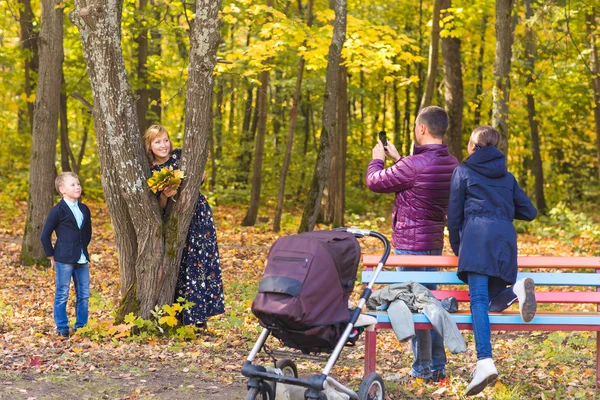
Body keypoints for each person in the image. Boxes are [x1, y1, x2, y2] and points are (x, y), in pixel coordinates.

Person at [366, 106, 459, 382]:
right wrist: (399, 158)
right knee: (430, 301)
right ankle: (437, 367)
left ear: (422, 129)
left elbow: (374, 182)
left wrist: (377, 160)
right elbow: (421, 176)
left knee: (416, 303)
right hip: (432, 242)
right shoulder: (452, 163)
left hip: (409, 244)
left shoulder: (413, 166)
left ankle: (422, 369)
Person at [447, 125, 537, 396]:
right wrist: (502, 209)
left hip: (476, 239)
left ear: (474, 145)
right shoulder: (507, 177)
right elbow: (530, 212)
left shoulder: (462, 171)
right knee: (493, 298)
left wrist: (458, 248)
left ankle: (484, 360)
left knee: (477, 300)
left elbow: (454, 216)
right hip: (503, 242)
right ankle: (516, 290)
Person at [143, 125, 225, 328]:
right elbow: (159, 207)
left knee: (200, 263)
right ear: (150, 145)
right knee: (182, 266)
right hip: (175, 220)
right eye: (157, 141)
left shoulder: (180, 156)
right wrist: (164, 195)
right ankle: (182, 316)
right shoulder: (151, 170)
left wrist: (200, 171)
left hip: (199, 215)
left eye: (165, 140)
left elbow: (200, 170)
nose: (163, 145)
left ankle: (199, 319)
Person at [40, 172, 92, 338]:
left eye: (78, 184)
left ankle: (81, 326)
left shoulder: (84, 209)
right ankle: (62, 328)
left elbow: (87, 232)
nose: (77, 187)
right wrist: (51, 256)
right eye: (72, 185)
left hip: (82, 258)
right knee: (62, 293)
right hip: (64, 259)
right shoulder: (58, 210)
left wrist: (82, 248)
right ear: (62, 189)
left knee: (83, 294)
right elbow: (44, 235)